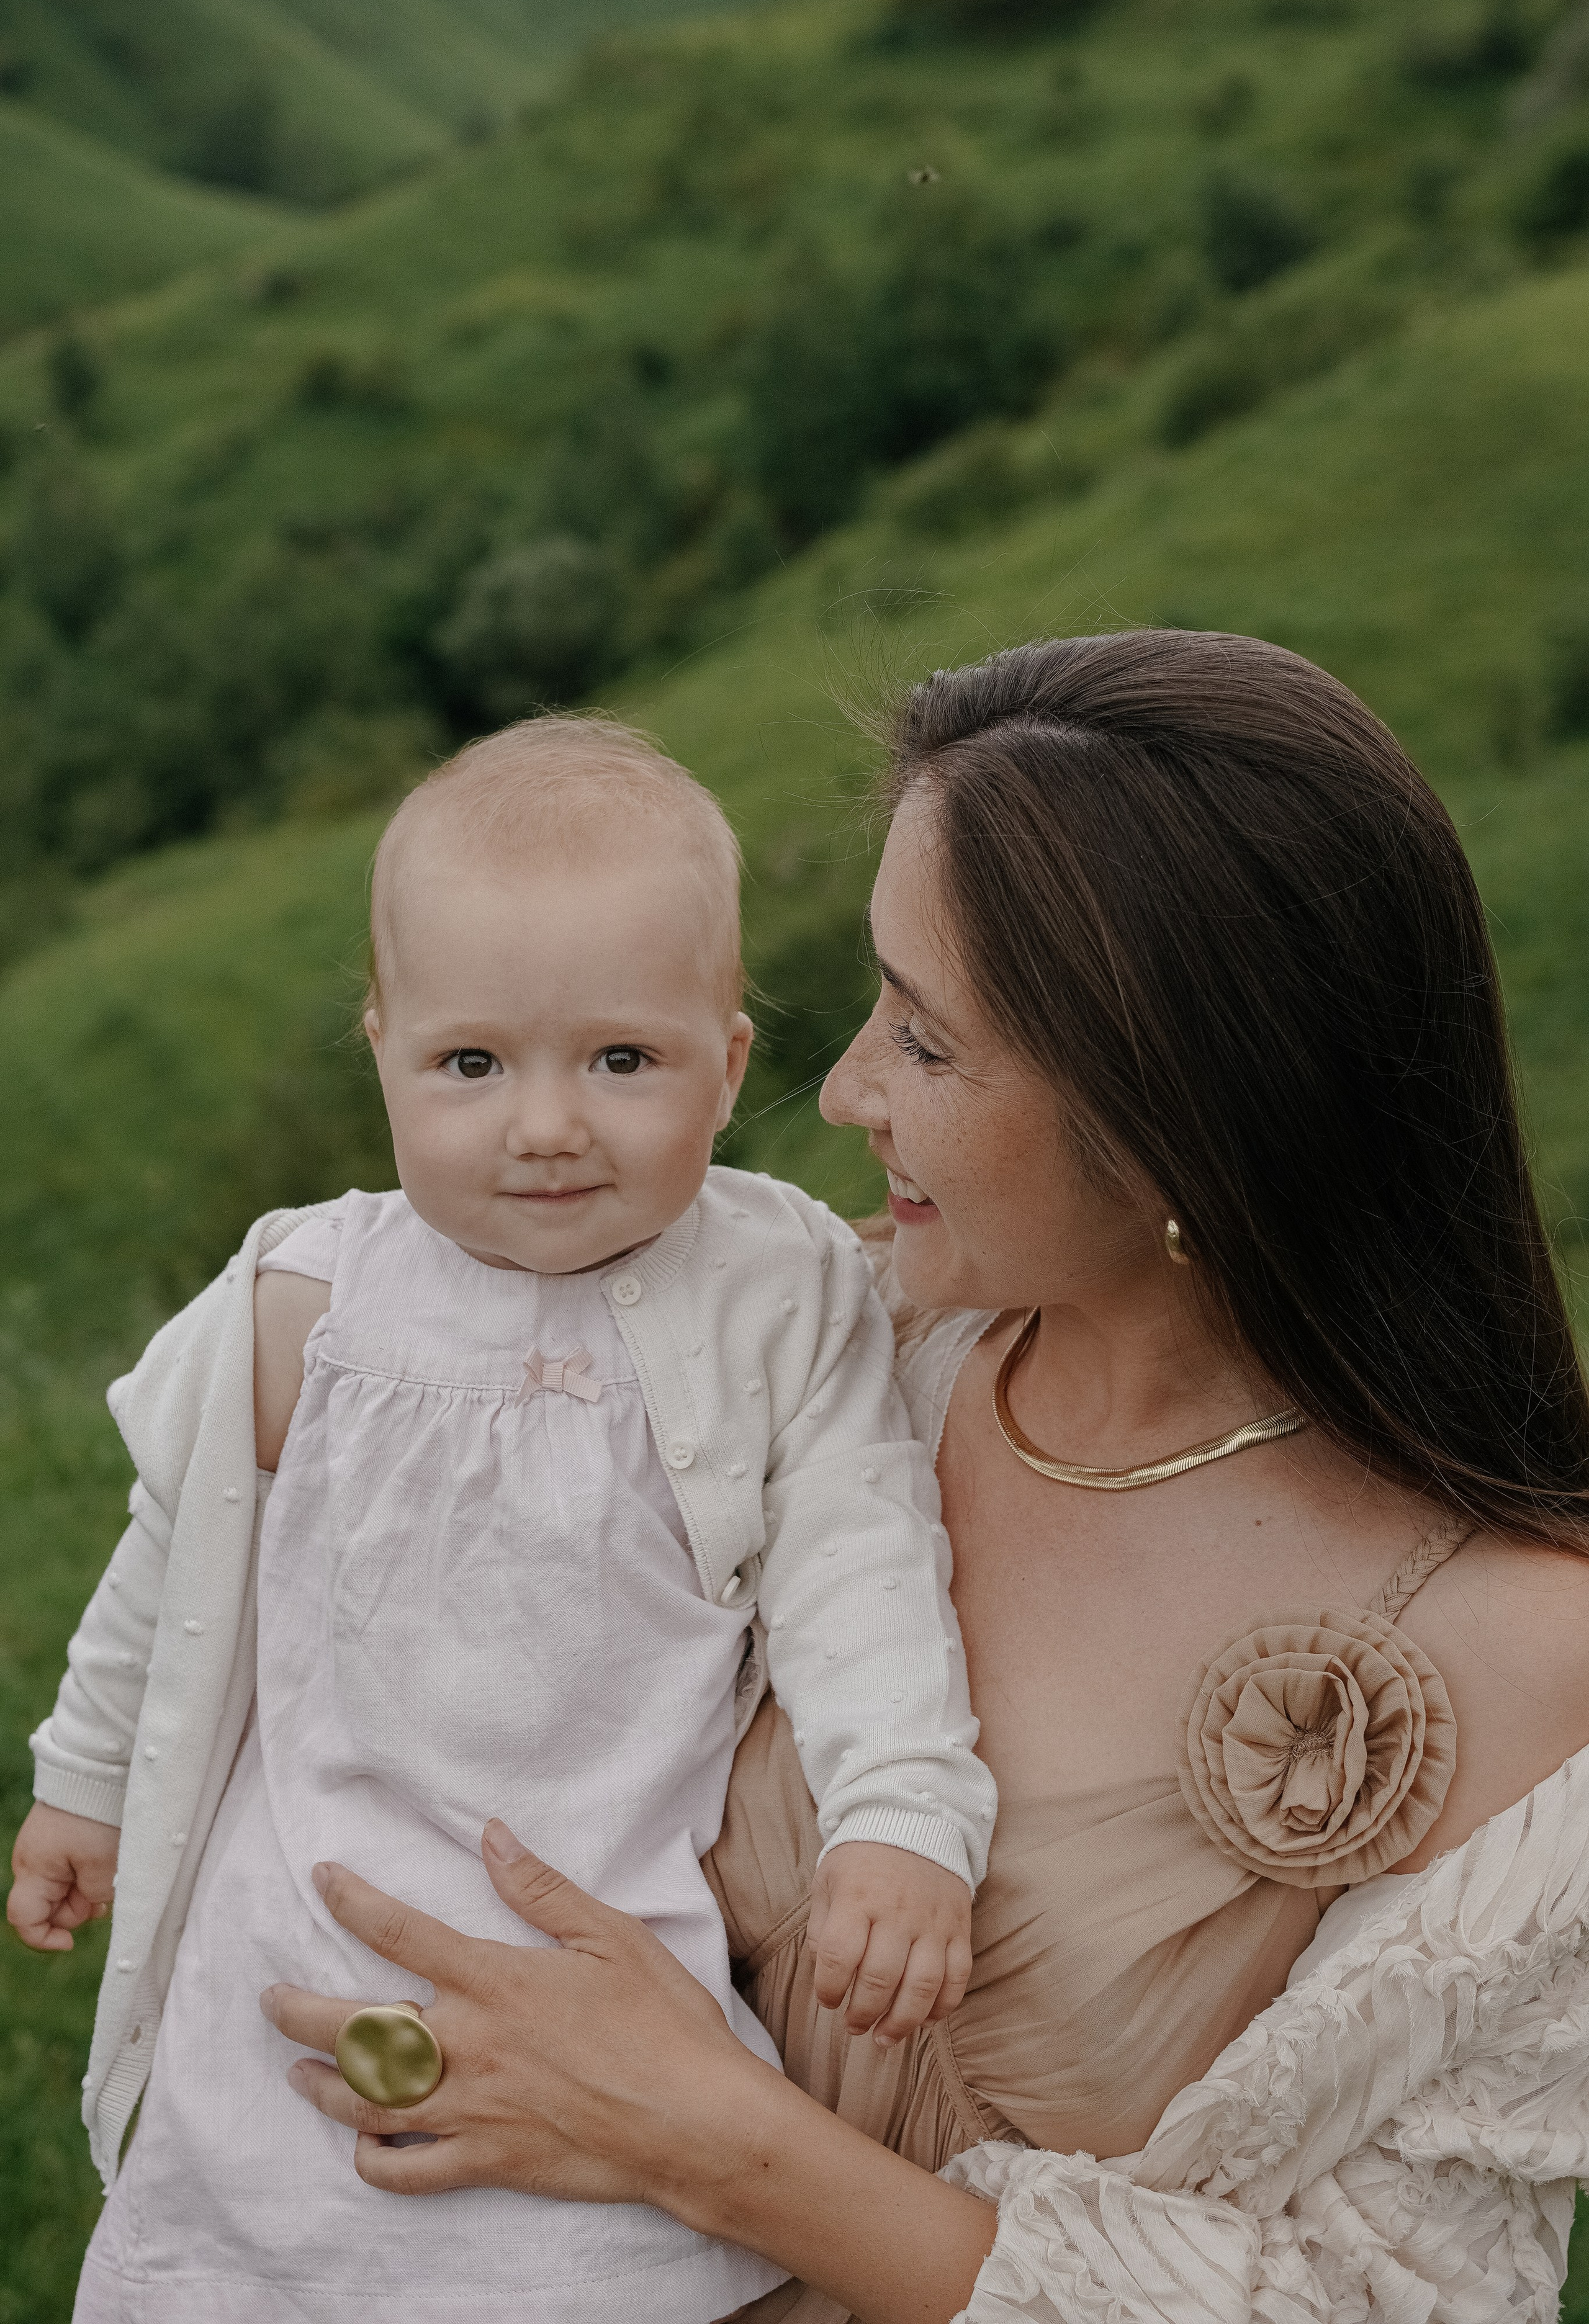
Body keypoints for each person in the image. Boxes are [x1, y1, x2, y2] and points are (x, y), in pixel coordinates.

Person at [263, 633, 1589, 2324]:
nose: (841, 1093)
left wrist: (711, 2145)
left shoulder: (1534, 1672)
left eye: (928, 1041)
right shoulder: (826, 1351)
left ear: (1185, 1112)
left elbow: (1382, 2305)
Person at [7, 717, 999, 2323]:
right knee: (273, 2237)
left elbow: (864, 1565)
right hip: (305, 1914)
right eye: (473, 1065)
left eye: (623, 1060)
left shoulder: (775, 1294)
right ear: (385, 1048)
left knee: (570, 2268)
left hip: (601, 1932)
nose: (546, 1126)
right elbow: (172, 1563)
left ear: (730, 1062)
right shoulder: (310, 1300)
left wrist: (901, 1816)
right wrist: (87, 1783)